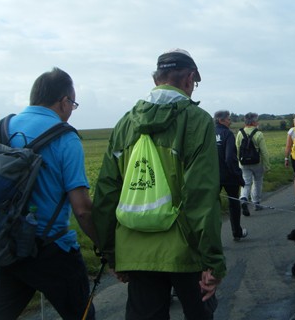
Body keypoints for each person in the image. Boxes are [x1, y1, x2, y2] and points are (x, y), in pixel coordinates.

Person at [92, 49, 226, 320]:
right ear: (189, 80)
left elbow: (106, 192)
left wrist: (111, 252)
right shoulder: (197, 120)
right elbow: (201, 195)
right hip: (186, 252)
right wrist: (212, 260)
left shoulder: (124, 124)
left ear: (157, 80)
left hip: (135, 249)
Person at [0, 68, 98, 320]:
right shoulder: (65, 138)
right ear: (64, 101)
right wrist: (103, 245)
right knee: (82, 315)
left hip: (2, 247)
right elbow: (82, 208)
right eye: (73, 104)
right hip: (51, 248)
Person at [214, 110, 248, 241]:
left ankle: (213, 237)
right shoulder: (227, 133)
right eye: (228, 119)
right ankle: (236, 232)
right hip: (229, 175)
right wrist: (237, 174)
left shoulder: (208, 133)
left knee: (213, 206)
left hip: (213, 175)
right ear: (221, 120)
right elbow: (229, 158)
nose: (230, 121)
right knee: (233, 204)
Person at [235, 112, 271, 214]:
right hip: (257, 163)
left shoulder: (239, 133)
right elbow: (264, 151)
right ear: (254, 122)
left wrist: (239, 161)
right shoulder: (258, 134)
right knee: (257, 182)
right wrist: (267, 165)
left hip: (243, 163)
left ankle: (243, 198)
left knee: (246, 182)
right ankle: (256, 203)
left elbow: (237, 149)